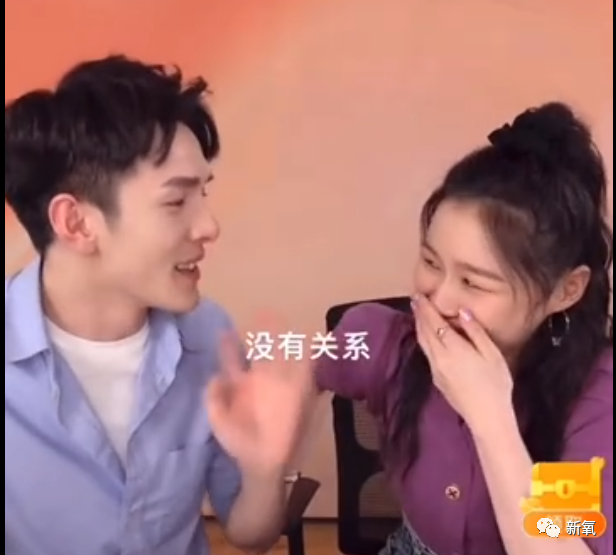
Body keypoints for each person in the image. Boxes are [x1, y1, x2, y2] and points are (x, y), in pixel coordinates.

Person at [5, 55, 315, 555]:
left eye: (203, 195)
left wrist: (266, 466)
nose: (209, 226)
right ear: (77, 223)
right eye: (175, 202)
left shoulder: (209, 335)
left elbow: (250, 534)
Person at [315, 103, 613, 555]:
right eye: (431, 262)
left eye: (474, 283)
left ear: (564, 291)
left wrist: (490, 417)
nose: (439, 299)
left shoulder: (590, 400)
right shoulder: (385, 342)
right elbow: (300, 374)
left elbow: (560, 539)